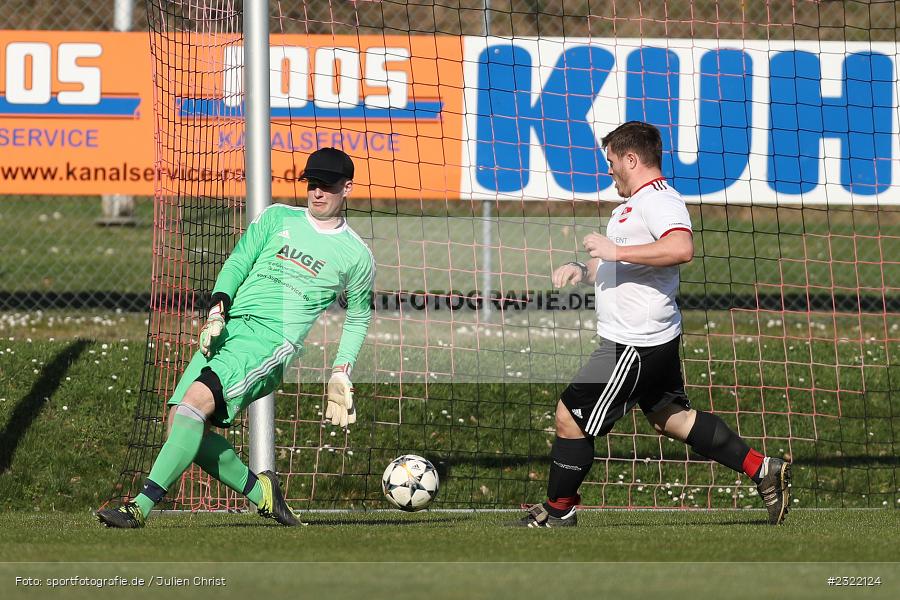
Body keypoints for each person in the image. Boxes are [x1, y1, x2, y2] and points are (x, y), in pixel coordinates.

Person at [518, 121, 791, 527]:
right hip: (649, 341)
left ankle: (559, 509)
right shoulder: (632, 206)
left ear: (631, 159)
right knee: (672, 418)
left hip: (634, 344)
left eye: (611, 162)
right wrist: (585, 268)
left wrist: (612, 249)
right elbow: (626, 260)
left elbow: (680, 248)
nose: (608, 170)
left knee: (570, 417)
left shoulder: (659, 200)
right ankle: (760, 467)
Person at [97, 147, 375, 528]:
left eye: (326, 185)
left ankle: (139, 508)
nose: (317, 192)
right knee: (181, 419)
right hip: (228, 329)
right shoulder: (277, 217)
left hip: (269, 342)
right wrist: (216, 311)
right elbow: (238, 262)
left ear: (348, 187)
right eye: (312, 183)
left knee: (194, 405)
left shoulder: (356, 255)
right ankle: (261, 492)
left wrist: (341, 370)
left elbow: (359, 315)